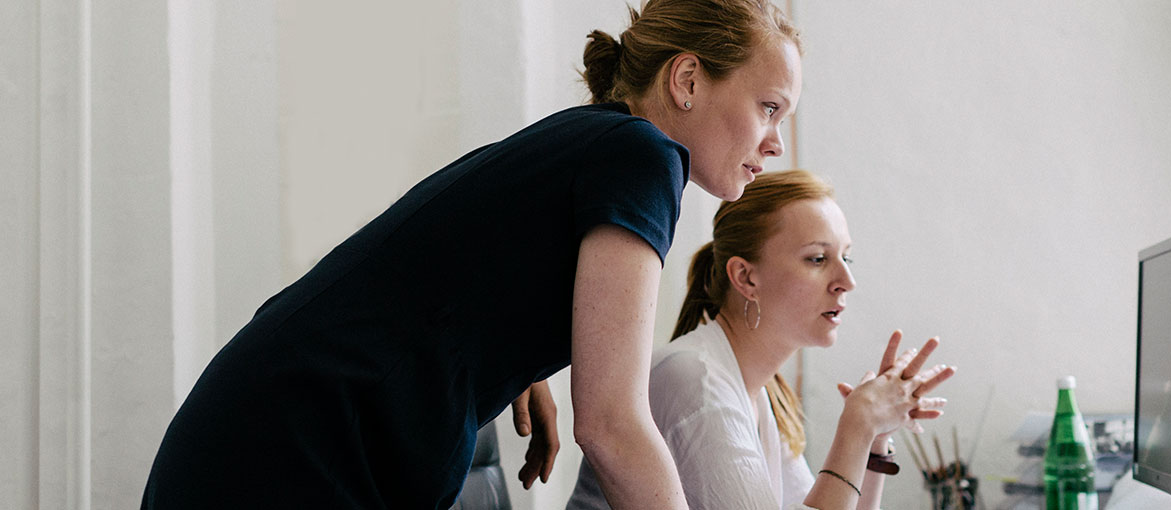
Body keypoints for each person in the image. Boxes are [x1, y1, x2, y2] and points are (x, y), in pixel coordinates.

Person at [140, 1, 802, 508]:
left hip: (266, 423)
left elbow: (461, 260)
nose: (775, 142)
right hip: (295, 447)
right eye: (768, 107)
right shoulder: (643, 158)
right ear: (687, 78)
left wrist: (522, 364)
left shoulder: (599, 143)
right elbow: (611, 423)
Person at [567, 170, 957, 510]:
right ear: (746, 278)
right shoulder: (697, 383)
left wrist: (874, 437)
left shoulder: (759, 391)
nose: (846, 282)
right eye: (818, 259)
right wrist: (855, 427)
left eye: (846, 257)